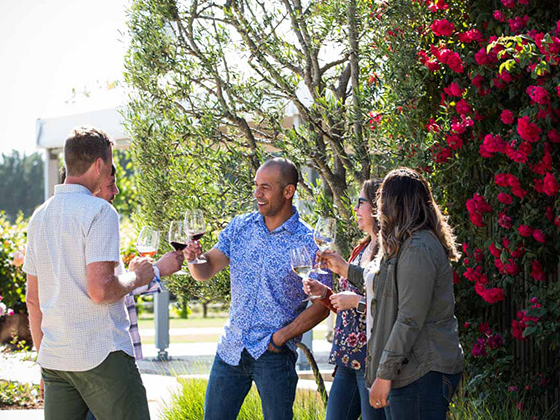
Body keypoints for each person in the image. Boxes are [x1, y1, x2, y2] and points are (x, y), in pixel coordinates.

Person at [184, 157, 331, 420]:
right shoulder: (240, 227)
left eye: (266, 187)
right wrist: (194, 259)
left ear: (288, 192)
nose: (257, 194)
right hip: (231, 348)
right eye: (255, 186)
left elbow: (323, 306)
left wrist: (281, 338)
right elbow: (205, 270)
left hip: (273, 355)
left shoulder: (309, 242)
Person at [24, 126, 155, 420]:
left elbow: (32, 300)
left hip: (57, 361)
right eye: (109, 166)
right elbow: (101, 290)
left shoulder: (39, 217)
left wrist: (44, 361)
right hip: (101, 355)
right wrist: (138, 277)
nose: (109, 171)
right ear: (99, 165)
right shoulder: (99, 211)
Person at [320, 167, 464, 420]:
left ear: (396, 203)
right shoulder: (406, 243)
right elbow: (382, 286)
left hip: (421, 371)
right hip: (409, 370)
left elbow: (409, 318)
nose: (378, 208)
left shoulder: (418, 248)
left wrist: (384, 374)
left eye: (381, 200)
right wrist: (343, 268)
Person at [84, 164, 184, 420]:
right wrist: (156, 270)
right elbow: (106, 291)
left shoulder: (59, 221)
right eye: (111, 184)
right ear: (92, 180)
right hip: (102, 358)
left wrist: (146, 273)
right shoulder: (99, 218)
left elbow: (115, 286)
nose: (116, 191)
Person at [304, 179, 385, 420]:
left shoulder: (388, 250)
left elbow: (389, 303)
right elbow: (346, 306)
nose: (355, 209)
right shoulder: (360, 250)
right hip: (347, 356)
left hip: (372, 359)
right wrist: (325, 294)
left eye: (361, 202)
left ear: (377, 207)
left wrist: (355, 300)